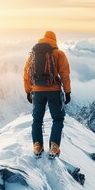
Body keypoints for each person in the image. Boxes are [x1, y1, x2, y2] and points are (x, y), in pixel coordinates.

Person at [23, 31, 71, 159]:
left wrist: (28, 91)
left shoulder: (32, 56)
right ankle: (54, 147)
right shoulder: (59, 54)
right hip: (54, 90)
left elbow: (26, 75)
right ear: (54, 40)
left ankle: (37, 146)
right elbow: (65, 75)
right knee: (58, 119)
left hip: (37, 91)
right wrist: (67, 92)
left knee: (37, 120)